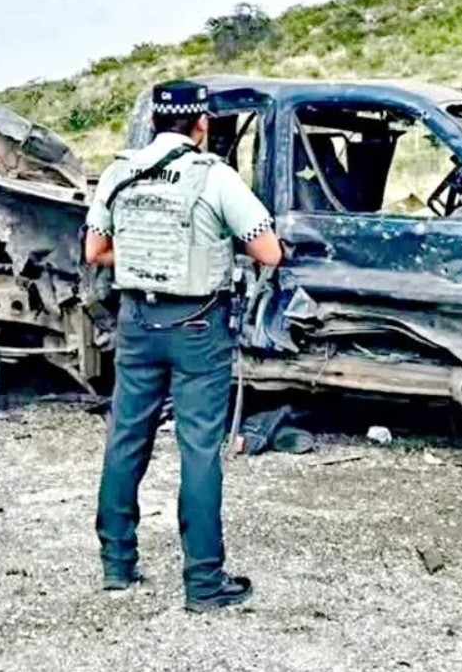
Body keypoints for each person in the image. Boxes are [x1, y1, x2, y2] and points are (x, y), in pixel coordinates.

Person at [84, 79, 283, 612]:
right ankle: (202, 581)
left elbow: (95, 249)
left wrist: (150, 254)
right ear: (202, 125)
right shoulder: (214, 177)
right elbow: (268, 251)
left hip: (137, 321)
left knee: (126, 438)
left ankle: (118, 566)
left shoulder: (119, 172)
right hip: (197, 327)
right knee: (198, 449)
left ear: (153, 124)